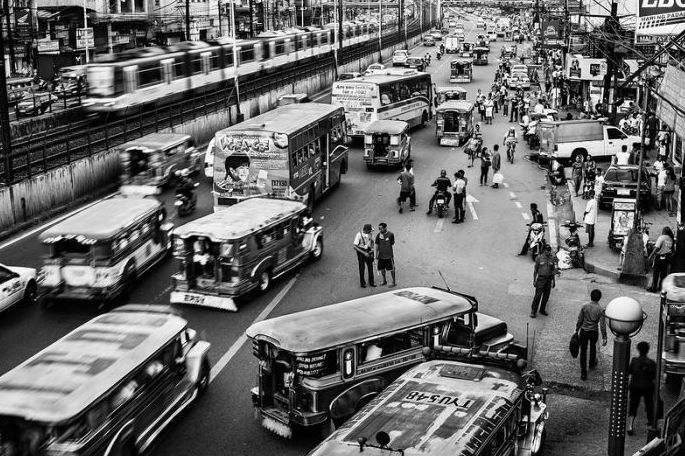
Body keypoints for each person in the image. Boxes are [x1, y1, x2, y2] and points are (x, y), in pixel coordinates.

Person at [575, 289, 608, 381]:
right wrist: (604, 337)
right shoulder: (601, 310)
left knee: (583, 351)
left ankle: (583, 372)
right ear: (599, 298)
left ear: (591, 296)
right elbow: (602, 325)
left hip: (584, 331)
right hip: (594, 331)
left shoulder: (585, 307)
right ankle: (592, 364)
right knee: (593, 347)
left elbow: (580, 320)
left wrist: (577, 329)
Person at [627, 341, 658, 436]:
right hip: (647, 386)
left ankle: (630, 425)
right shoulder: (651, 363)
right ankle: (651, 421)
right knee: (649, 403)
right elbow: (654, 376)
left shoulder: (634, 361)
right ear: (647, 351)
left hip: (635, 386)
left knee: (633, 405)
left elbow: (630, 372)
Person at [530, 244, 556, 318]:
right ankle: (533, 311)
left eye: (549, 250)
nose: (549, 252)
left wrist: (553, 281)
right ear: (544, 250)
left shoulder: (552, 258)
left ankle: (542, 309)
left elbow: (553, 270)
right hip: (541, 279)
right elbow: (535, 270)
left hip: (549, 279)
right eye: (547, 250)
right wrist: (534, 280)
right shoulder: (539, 258)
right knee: (537, 296)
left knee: (546, 296)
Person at [648, 226, 675, 292]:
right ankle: (661, 287)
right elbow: (671, 249)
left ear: (664, 231)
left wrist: (650, 256)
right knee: (663, 273)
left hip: (659, 257)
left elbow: (656, 248)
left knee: (656, 273)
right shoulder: (670, 239)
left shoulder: (661, 237)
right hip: (667, 258)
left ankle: (654, 288)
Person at [353, 224, 376, 288]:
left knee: (370, 267)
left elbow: (372, 242)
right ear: (365, 230)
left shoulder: (370, 234)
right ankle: (362, 283)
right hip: (361, 251)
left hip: (368, 250)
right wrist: (364, 253)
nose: (370, 232)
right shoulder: (359, 235)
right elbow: (355, 246)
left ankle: (371, 282)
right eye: (369, 230)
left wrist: (372, 249)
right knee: (362, 268)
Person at [375, 223, 396, 287]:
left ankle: (394, 282)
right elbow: (377, 245)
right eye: (379, 228)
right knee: (382, 269)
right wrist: (376, 254)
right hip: (381, 256)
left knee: (392, 269)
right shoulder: (378, 235)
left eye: (381, 228)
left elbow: (392, 243)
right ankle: (384, 281)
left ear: (385, 228)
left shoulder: (391, 234)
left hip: (389, 256)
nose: (380, 230)